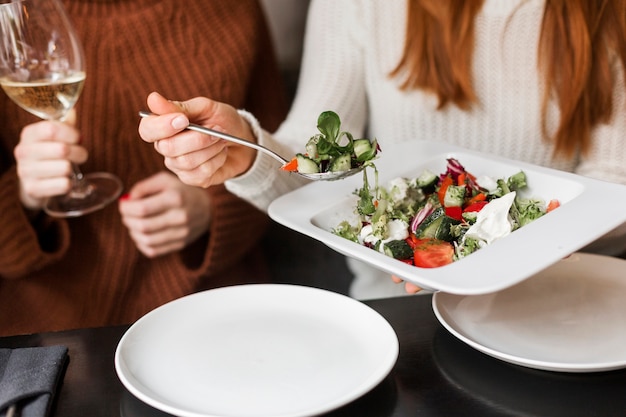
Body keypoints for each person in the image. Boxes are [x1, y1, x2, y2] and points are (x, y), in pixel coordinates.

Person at [138, 0, 626, 300]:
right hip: (398, 314)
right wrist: (244, 152)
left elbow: (616, 184)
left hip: (559, 305)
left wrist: (513, 251)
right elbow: (317, 163)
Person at [0, 0, 288, 336]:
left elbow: (286, 168)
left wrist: (213, 209)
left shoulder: (234, 9)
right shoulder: (12, 15)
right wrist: (23, 196)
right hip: (49, 329)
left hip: (210, 309)